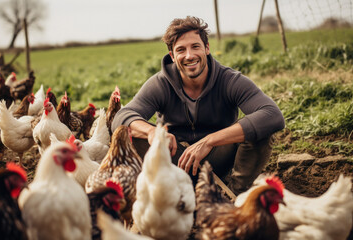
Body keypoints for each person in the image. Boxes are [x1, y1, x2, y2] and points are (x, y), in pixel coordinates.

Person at [112, 16, 285, 194]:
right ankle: (160, 192)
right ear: (172, 56)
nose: (189, 55)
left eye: (195, 46)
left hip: (217, 161)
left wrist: (209, 141)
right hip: (173, 161)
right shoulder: (160, 83)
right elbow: (121, 117)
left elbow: (272, 115)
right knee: (131, 132)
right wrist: (152, 132)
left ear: (207, 48)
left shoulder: (230, 80)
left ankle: (233, 195)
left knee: (260, 130)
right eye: (181, 50)